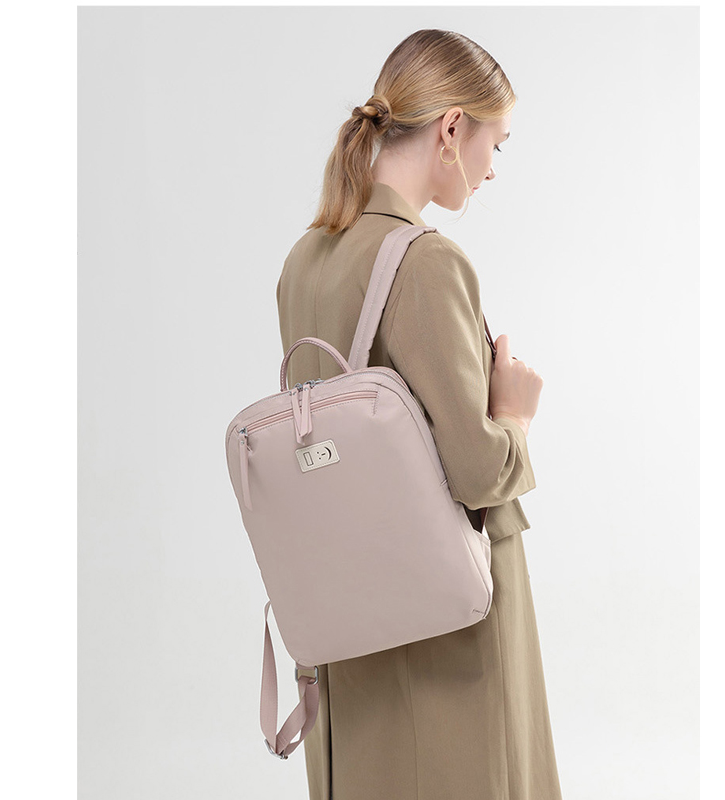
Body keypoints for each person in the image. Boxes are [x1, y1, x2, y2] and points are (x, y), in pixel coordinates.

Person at [276, 28, 561, 800]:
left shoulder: (305, 261)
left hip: (344, 610)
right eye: (496, 142)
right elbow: (476, 471)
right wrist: (516, 416)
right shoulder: (427, 260)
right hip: (446, 624)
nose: (493, 167)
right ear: (451, 129)